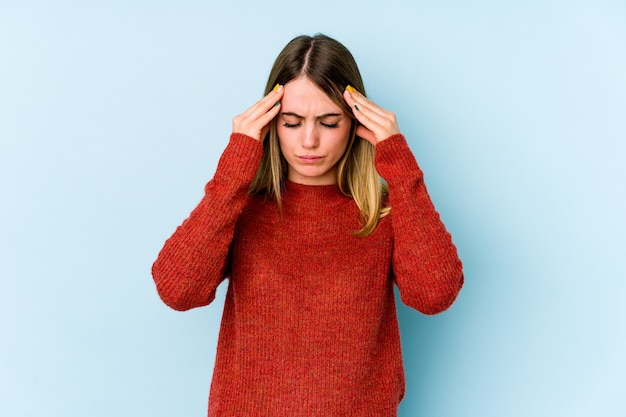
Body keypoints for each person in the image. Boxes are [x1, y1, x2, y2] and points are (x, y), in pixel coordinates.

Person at [152, 33, 463, 417]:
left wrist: (401, 168)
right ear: (270, 122)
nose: (309, 140)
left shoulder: (386, 212)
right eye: (292, 122)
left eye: (329, 122)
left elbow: (434, 295)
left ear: (355, 123)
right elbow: (177, 290)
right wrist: (234, 170)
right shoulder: (240, 208)